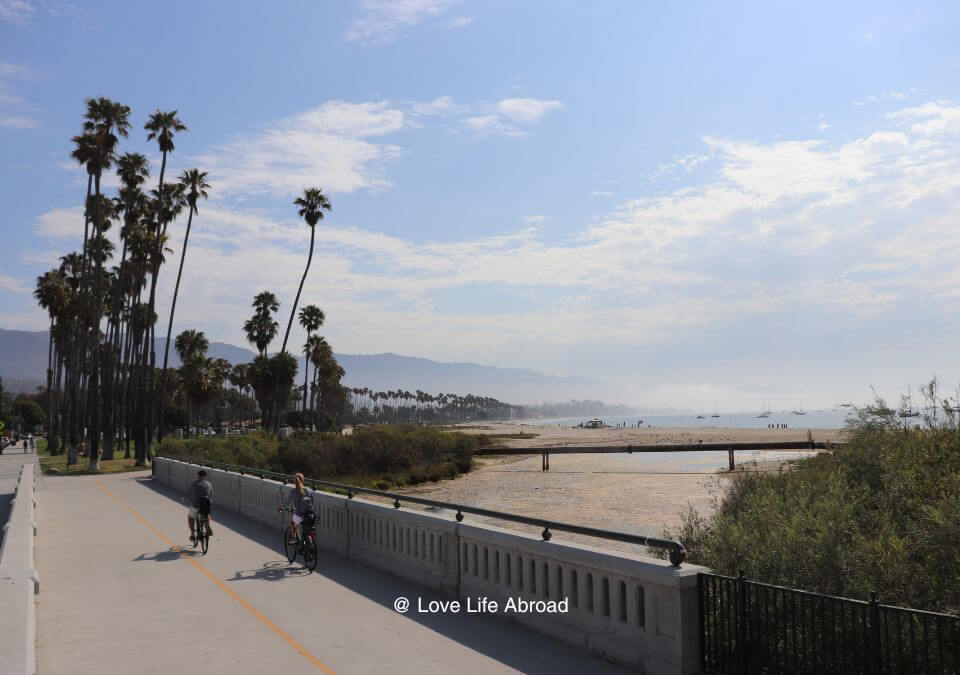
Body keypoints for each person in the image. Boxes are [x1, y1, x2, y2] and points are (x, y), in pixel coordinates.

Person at [181, 469, 214, 544]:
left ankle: (192, 535)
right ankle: (208, 528)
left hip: (196, 505)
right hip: (206, 505)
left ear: (198, 476)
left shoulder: (193, 484)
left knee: (190, 518)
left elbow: (188, 494)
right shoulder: (209, 484)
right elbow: (211, 497)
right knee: (206, 514)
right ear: (205, 476)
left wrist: (184, 499)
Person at [280, 472, 314, 541]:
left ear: (294, 482)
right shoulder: (308, 489)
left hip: (300, 515)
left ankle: (294, 538)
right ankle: (311, 546)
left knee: (293, 523)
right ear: (303, 480)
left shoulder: (293, 491)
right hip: (309, 515)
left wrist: (281, 507)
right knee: (308, 530)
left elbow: (287, 502)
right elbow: (312, 501)